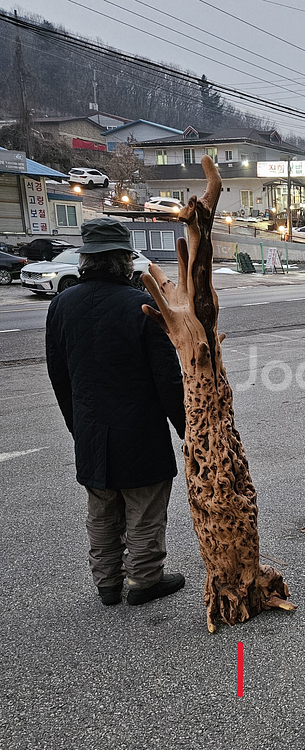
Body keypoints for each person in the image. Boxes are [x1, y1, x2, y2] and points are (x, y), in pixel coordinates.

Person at [46, 217, 187, 607]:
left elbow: (59, 375)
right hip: (139, 429)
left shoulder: (62, 304)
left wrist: (78, 424)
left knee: (102, 507)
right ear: (125, 259)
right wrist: (188, 428)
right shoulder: (141, 305)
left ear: (86, 259)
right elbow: (167, 380)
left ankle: (107, 583)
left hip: (91, 428)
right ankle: (144, 581)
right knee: (143, 507)